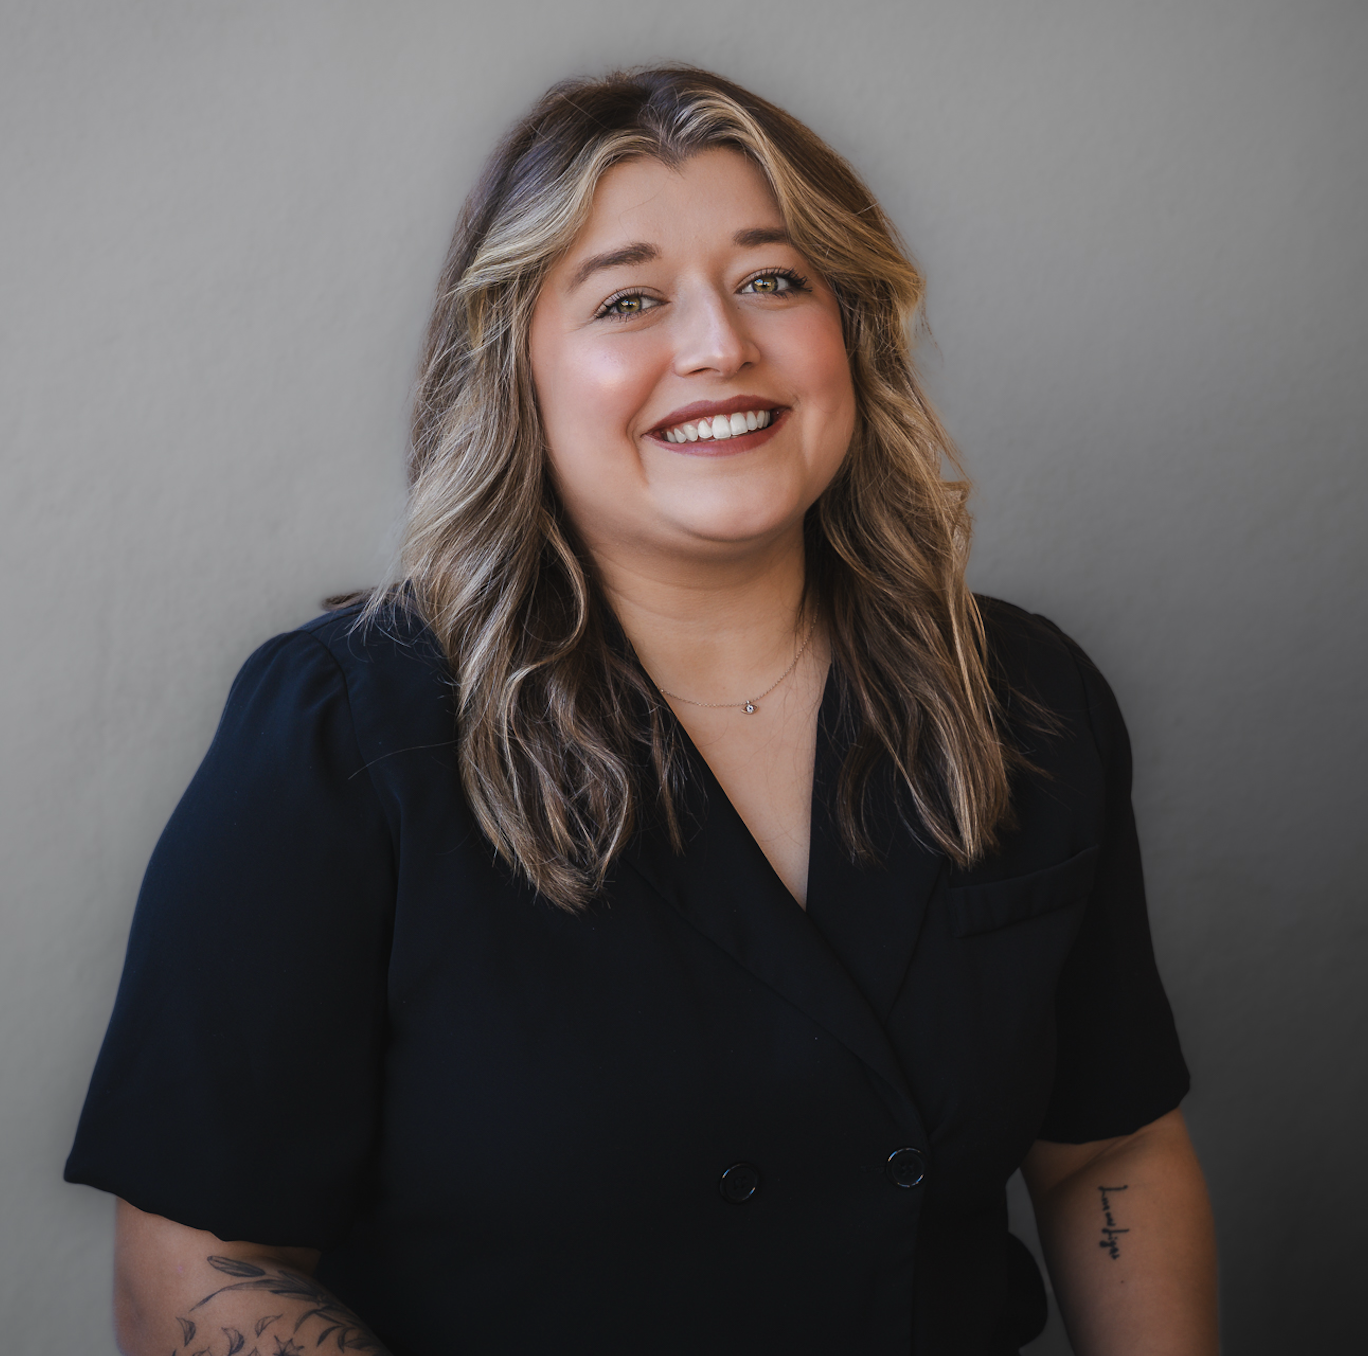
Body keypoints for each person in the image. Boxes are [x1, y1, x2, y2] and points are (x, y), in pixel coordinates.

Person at [66, 66, 1218, 1356]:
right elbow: (196, 1263)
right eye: (627, 299)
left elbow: (1106, 1148)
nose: (720, 343)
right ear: (516, 374)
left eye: (774, 279)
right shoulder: (342, 729)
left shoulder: (1023, 696)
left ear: (854, 330)